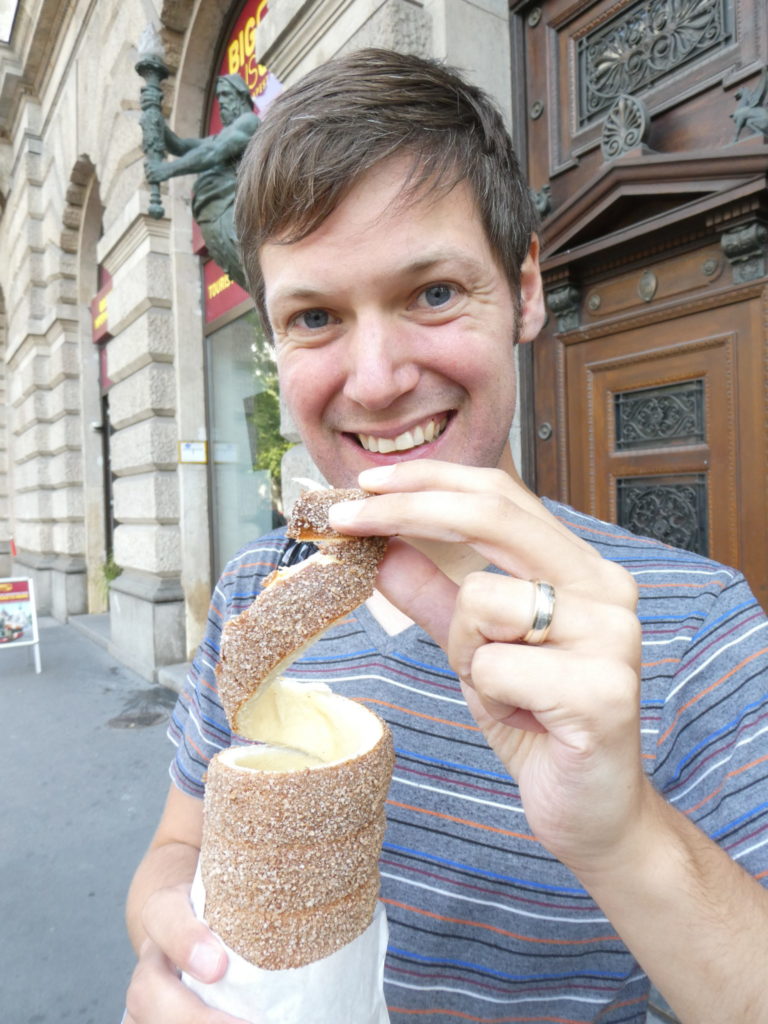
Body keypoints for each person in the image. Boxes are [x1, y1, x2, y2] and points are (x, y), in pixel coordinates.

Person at [124, 49, 768, 1024]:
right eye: (315, 316)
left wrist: (622, 833)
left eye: (431, 292)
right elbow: (179, 844)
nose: (376, 378)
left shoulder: (695, 631)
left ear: (525, 292)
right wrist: (176, 942)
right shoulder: (260, 589)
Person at [144, 73, 260, 289]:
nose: (221, 102)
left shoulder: (248, 122)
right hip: (213, 219)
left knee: (258, 281)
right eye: (219, 97)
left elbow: (214, 153)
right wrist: (155, 118)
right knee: (252, 286)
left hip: (230, 212)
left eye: (225, 94)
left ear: (241, 95)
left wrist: (166, 170)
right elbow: (179, 146)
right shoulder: (223, 134)